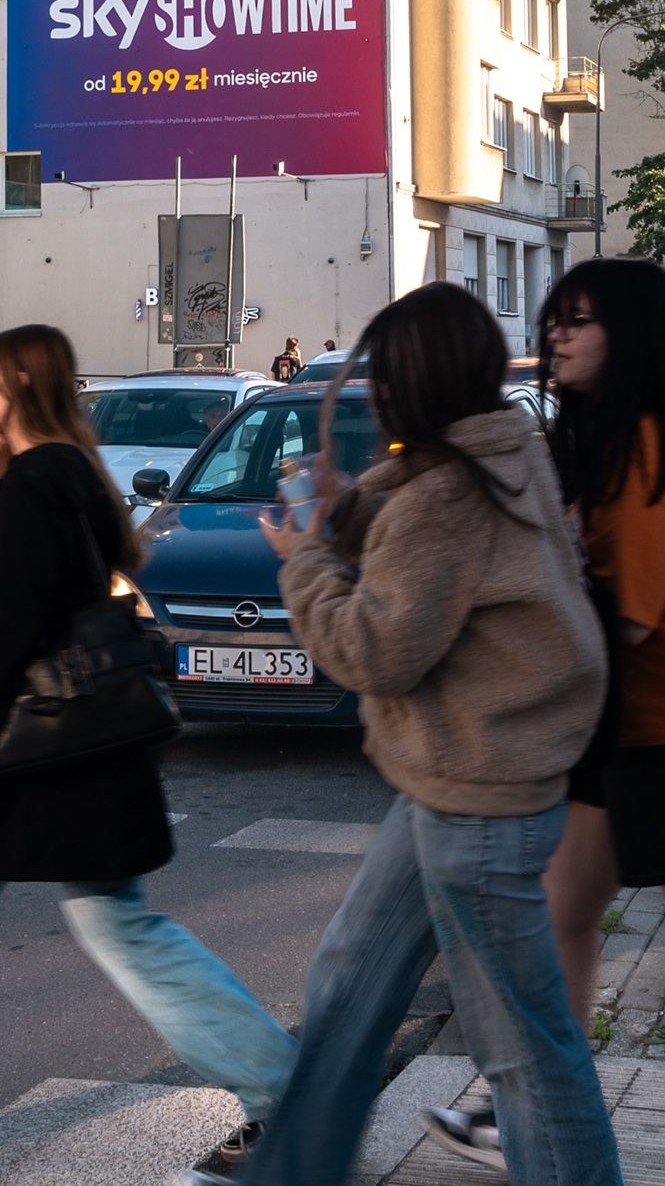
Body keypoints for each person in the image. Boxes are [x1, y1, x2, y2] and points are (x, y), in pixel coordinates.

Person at [0, 323, 292, 1174]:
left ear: (18, 389)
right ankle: (284, 1089)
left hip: (23, 753)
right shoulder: (75, 478)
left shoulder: (33, 489)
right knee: (125, 928)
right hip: (93, 749)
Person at [426, 258, 665, 1180]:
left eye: (579, 320)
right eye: (553, 317)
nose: (554, 333)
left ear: (629, 338)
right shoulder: (611, 438)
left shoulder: (647, 445)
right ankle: (528, 1104)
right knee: (564, 915)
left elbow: (619, 618)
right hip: (637, 719)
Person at [235, 283, 617, 1186]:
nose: (373, 396)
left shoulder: (448, 494)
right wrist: (346, 507)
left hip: (477, 802)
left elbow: (374, 650)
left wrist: (308, 563)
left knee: (526, 1057)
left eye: (385, 380)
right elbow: (420, 534)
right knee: (345, 990)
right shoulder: (504, 451)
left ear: (414, 385)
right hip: (455, 786)